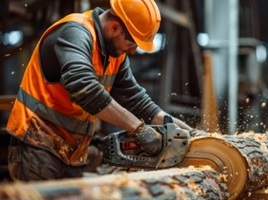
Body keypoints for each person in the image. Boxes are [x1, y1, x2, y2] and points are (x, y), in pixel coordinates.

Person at [6, 0, 193, 181]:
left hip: (73, 152)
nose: (134, 51)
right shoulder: (75, 32)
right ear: (115, 27)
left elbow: (136, 100)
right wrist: (138, 129)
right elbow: (84, 88)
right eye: (132, 44)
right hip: (37, 143)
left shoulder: (115, 55)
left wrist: (187, 133)